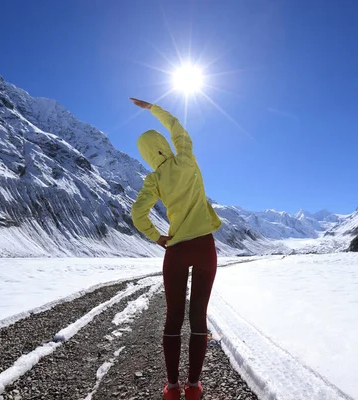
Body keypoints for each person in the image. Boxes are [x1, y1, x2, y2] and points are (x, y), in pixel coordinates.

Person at [130, 97, 222, 400]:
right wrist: (153, 109)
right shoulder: (186, 158)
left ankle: (171, 387)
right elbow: (178, 127)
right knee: (198, 317)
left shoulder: (154, 179)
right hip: (205, 247)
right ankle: (193, 386)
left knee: (173, 317)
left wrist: (157, 237)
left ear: (146, 155)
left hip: (177, 250)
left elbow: (137, 214)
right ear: (164, 145)